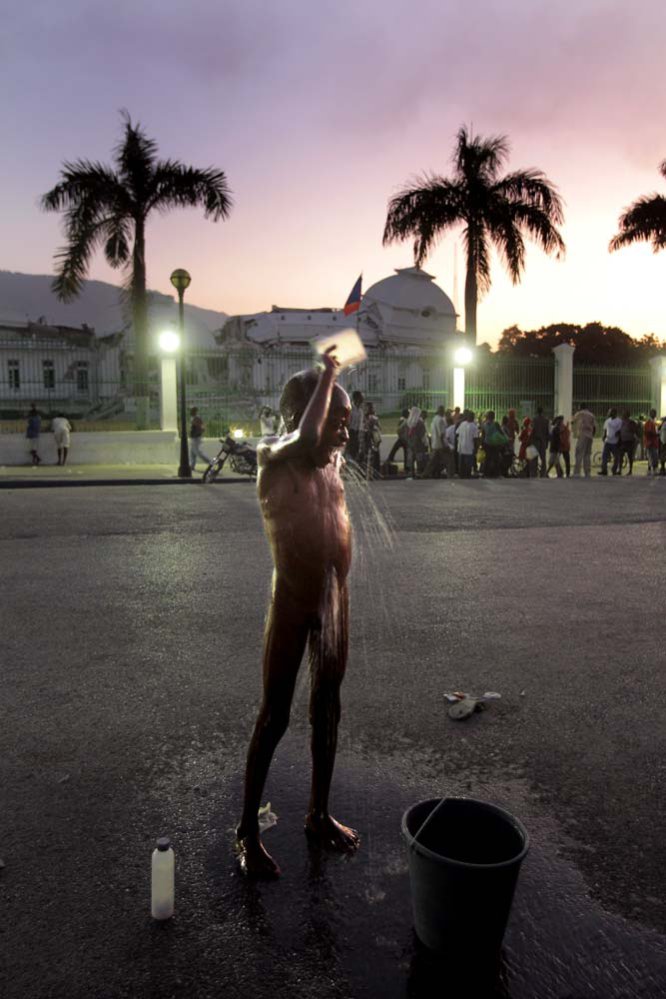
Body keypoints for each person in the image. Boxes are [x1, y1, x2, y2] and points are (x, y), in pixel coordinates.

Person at [236, 349, 359, 878]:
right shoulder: (273, 454)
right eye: (336, 419)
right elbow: (305, 440)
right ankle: (246, 829)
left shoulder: (331, 465)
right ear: (303, 415)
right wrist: (330, 372)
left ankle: (318, 812)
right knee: (276, 715)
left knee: (328, 706)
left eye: (347, 423)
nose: (344, 436)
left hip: (334, 601)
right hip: (289, 601)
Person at [572, 404, 596, 477]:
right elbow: (594, 427)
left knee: (579, 453)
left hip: (582, 435)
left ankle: (577, 472)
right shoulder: (592, 415)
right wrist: (592, 434)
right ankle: (587, 472)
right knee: (587, 454)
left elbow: (572, 421)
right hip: (590, 436)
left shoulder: (580, 413)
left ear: (580, 407)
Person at [598, 408, 622, 476]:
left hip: (615, 442)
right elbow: (605, 430)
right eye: (609, 412)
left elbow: (620, 431)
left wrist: (619, 438)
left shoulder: (619, 421)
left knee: (616, 457)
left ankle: (614, 470)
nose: (609, 413)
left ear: (614, 413)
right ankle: (604, 470)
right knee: (604, 456)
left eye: (610, 412)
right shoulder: (607, 421)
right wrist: (604, 436)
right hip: (607, 441)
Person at [425, 405, 448, 478]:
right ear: (441, 411)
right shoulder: (440, 420)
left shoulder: (434, 419)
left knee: (434, 461)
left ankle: (432, 474)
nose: (444, 412)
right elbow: (441, 434)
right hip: (439, 444)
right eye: (443, 410)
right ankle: (427, 474)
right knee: (444, 460)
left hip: (434, 443)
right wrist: (444, 444)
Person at [406, 406, 428, 478]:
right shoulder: (420, 423)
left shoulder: (408, 423)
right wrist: (426, 443)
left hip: (410, 444)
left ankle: (412, 473)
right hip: (419, 445)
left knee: (411, 459)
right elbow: (422, 435)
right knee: (419, 459)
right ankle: (419, 473)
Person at [457, 410, 479, 478]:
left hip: (461, 447)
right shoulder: (474, 427)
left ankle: (462, 475)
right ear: (473, 417)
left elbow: (457, 433)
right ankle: (467, 475)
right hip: (469, 448)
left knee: (462, 463)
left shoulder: (462, 424)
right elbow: (475, 439)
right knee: (468, 463)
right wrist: (476, 448)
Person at [189, 407, 211, 472]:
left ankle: (210, 462)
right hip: (194, 438)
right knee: (192, 453)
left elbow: (201, 427)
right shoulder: (193, 418)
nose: (190, 412)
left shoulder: (197, 418)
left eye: (192, 410)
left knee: (199, 453)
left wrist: (198, 432)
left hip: (196, 438)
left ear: (195, 411)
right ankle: (192, 466)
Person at [363, 401, 382, 478]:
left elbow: (379, 428)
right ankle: (366, 473)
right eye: (369, 407)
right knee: (366, 456)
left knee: (376, 456)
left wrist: (374, 429)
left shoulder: (375, 418)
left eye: (371, 407)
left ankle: (375, 473)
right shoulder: (363, 417)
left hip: (374, 439)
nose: (370, 409)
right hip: (366, 438)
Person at [531, 407, 550, 478]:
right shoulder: (546, 420)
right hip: (543, 441)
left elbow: (532, 431)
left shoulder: (534, 420)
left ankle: (533, 474)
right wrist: (547, 443)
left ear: (537, 411)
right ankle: (543, 474)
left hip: (535, 441)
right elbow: (547, 433)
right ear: (542, 412)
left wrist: (530, 441)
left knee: (533, 459)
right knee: (543, 459)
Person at [618, 409, 638, 475]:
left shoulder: (631, 422)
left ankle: (630, 470)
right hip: (623, 441)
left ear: (627, 415)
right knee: (620, 455)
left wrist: (630, 428)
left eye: (624, 414)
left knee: (630, 456)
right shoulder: (621, 422)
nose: (623, 415)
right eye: (623, 414)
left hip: (630, 442)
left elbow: (634, 430)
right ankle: (620, 470)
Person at [346, 391, 364, 463]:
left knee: (356, 450)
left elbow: (360, 424)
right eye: (360, 399)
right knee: (350, 449)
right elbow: (348, 422)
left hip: (357, 432)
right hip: (351, 431)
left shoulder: (360, 411)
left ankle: (354, 463)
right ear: (356, 399)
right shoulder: (351, 409)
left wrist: (360, 434)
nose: (361, 401)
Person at [644, 409, 659, 476]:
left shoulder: (653, 422)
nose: (655, 414)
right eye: (653, 413)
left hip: (652, 442)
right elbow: (649, 432)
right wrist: (656, 434)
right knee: (653, 456)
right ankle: (653, 470)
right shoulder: (649, 422)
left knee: (651, 456)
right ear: (650, 414)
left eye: (655, 413)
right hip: (651, 442)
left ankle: (650, 470)